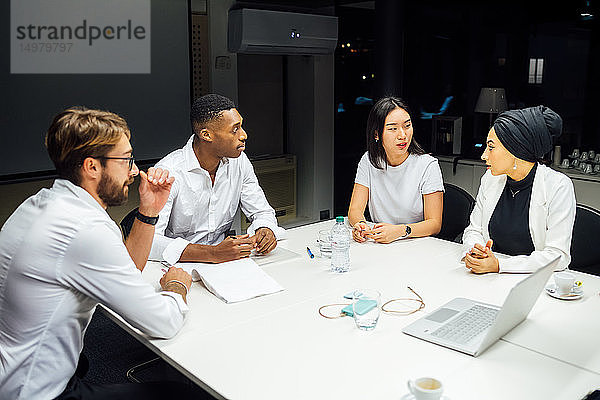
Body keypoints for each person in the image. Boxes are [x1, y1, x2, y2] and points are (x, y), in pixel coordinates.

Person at [0, 107, 207, 399]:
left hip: (13, 369)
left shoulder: (41, 204)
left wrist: (148, 212)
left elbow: (126, 271)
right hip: (36, 392)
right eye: (126, 160)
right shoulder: (85, 229)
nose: (135, 171)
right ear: (92, 167)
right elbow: (163, 323)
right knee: (187, 394)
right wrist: (176, 288)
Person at [150, 94, 284, 265]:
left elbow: (262, 212)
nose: (244, 135)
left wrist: (265, 227)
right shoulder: (169, 171)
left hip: (225, 261)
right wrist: (213, 253)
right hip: (179, 265)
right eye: (235, 129)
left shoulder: (239, 161)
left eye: (241, 127)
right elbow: (151, 242)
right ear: (206, 135)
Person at [462, 105, 576, 274]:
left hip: (535, 283)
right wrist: (476, 251)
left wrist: (500, 266)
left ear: (516, 150)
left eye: (491, 147)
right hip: (488, 278)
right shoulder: (490, 179)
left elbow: (557, 256)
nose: (484, 155)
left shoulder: (558, 186)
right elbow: (474, 230)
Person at [348, 96, 444, 243]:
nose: (403, 135)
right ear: (376, 134)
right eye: (393, 129)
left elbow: (434, 224)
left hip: (415, 244)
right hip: (379, 243)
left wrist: (400, 231)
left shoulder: (427, 165)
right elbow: (355, 210)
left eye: (407, 126)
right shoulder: (369, 160)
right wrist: (360, 225)